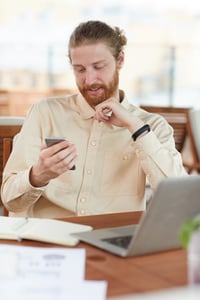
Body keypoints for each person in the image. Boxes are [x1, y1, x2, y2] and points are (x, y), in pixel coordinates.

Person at [1, 20, 187, 218]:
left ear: (120, 60)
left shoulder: (153, 126)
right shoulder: (45, 113)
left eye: (98, 67)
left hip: (113, 243)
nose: (89, 80)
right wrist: (38, 175)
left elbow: (180, 200)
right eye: (80, 69)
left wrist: (136, 128)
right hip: (51, 238)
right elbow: (11, 201)